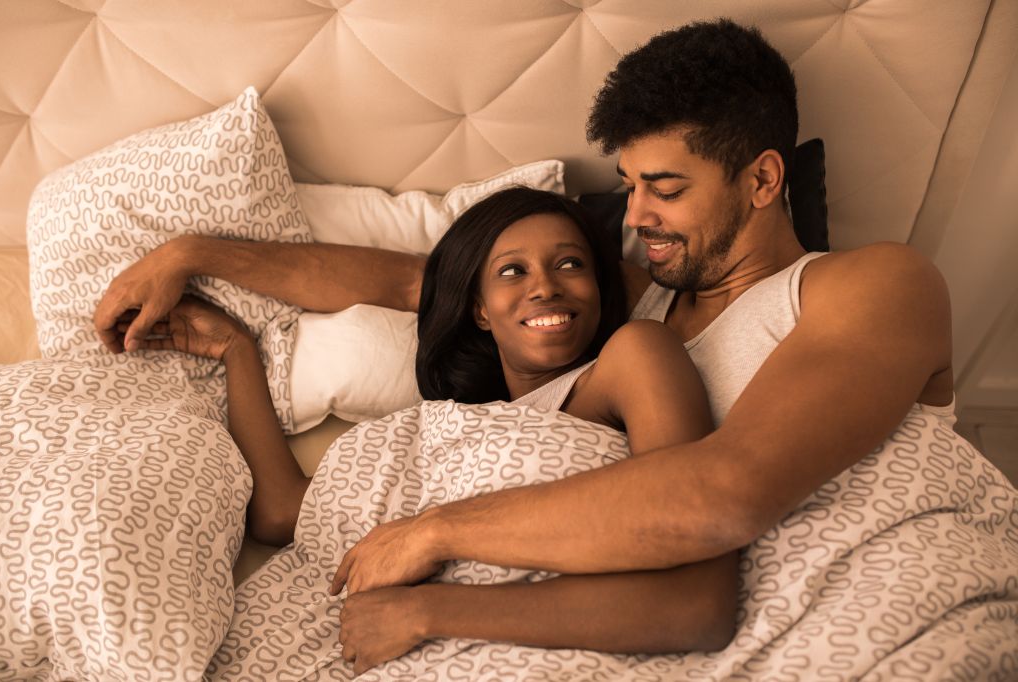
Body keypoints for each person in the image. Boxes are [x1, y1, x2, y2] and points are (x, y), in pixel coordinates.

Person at [94, 16, 955, 661]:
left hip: (838, 600)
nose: (637, 218)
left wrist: (436, 533)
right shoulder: (632, 297)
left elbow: (721, 498)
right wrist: (194, 253)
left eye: (664, 189)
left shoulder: (871, 286)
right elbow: (412, 280)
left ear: (765, 178)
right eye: (627, 186)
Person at [127, 187, 737, 674]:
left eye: (570, 264)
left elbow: (696, 607)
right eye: (511, 272)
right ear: (478, 309)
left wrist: (427, 610)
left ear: (601, 293)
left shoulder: (633, 358)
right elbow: (282, 513)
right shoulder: (440, 432)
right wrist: (238, 349)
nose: (544, 285)